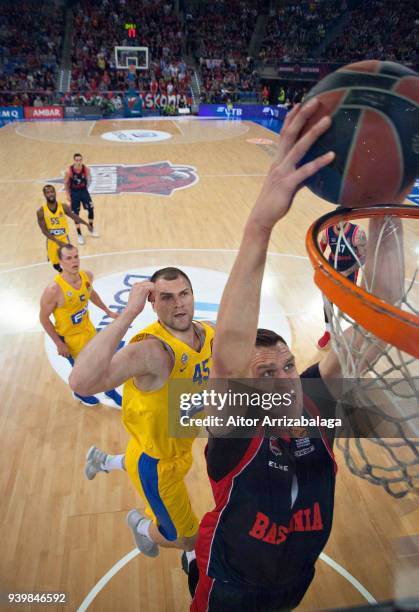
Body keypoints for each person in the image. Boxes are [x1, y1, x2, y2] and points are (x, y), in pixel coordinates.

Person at [191, 99, 401, 611]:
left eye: (288, 365)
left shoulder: (313, 400)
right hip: (232, 587)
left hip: (296, 577)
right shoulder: (235, 429)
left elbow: (386, 308)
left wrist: (385, 208)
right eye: (266, 374)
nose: (286, 379)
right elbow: (228, 357)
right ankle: (191, 563)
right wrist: (259, 226)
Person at [69, 267, 214, 566]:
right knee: (189, 538)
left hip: (161, 443)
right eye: (167, 297)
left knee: (135, 456)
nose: (179, 304)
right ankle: (142, 527)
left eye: (184, 294)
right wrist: (127, 314)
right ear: (152, 302)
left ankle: (103, 461)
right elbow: (80, 382)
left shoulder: (207, 332)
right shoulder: (151, 350)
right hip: (160, 468)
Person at [39, 244, 121, 407]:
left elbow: (91, 293)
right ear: (60, 262)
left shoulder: (87, 276)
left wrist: (107, 311)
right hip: (69, 338)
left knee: (102, 361)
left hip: (87, 329)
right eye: (69, 258)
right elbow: (43, 318)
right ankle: (79, 392)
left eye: (76, 256)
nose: (74, 261)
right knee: (82, 372)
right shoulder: (54, 290)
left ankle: (109, 390)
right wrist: (59, 343)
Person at [317, 222, 367, 349]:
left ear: (347, 219)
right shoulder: (327, 232)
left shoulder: (358, 234)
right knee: (327, 300)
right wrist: (320, 264)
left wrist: (347, 272)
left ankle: (359, 329)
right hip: (332, 269)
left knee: (347, 304)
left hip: (349, 272)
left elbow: (364, 258)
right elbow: (319, 249)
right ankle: (328, 331)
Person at [37, 185, 90, 272]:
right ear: (44, 195)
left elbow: (74, 216)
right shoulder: (41, 211)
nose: (50, 194)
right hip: (52, 240)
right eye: (48, 192)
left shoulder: (63, 206)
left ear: (55, 193)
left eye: (52, 191)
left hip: (64, 238)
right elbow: (44, 231)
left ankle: (70, 277)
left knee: (69, 260)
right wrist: (57, 241)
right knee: (55, 265)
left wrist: (86, 224)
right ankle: (63, 275)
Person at [64, 153, 99, 245]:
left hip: (83, 191)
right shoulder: (69, 171)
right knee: (76, 214)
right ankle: (79, 234)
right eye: (77, 160)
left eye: (80, 160)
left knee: (91, 209)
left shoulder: (86, 169)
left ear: (82, 160)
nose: (79, 162)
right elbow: (66, 184)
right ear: (74, 160)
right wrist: (68, 195)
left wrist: (86, 191)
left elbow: (88, 180)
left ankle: (91, 228)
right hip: (74, 193)